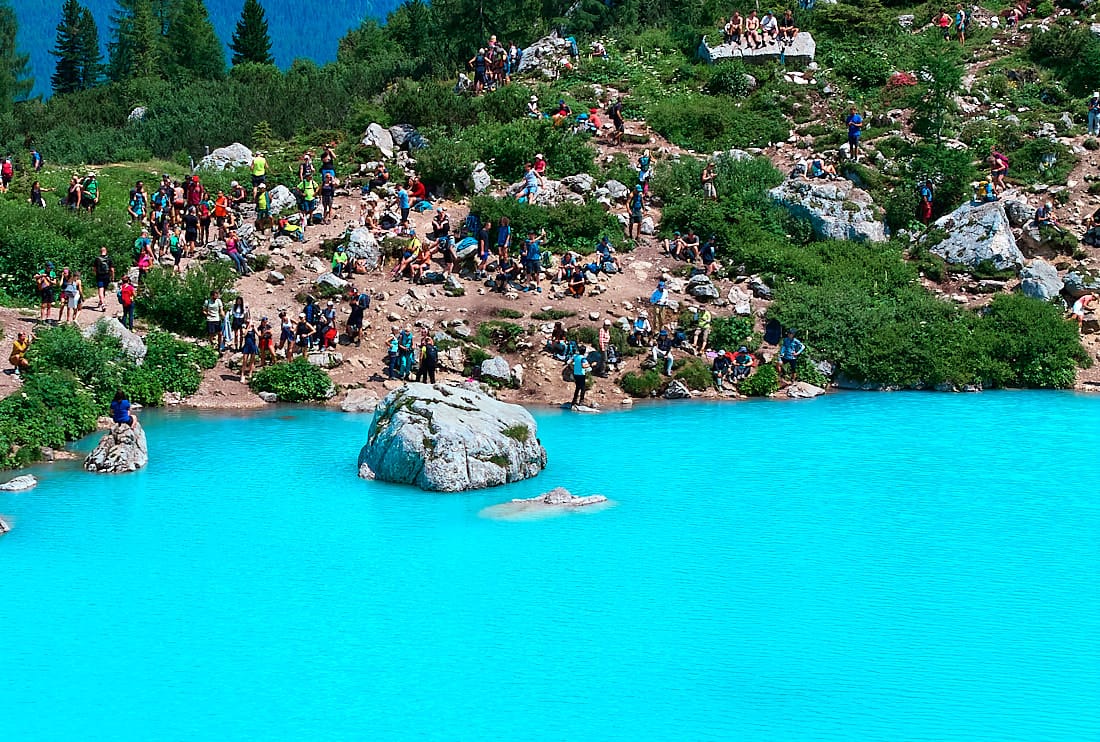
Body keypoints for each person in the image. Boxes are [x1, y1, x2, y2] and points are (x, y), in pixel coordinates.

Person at [522, 228, 545, 293]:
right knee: (528, 273)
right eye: (530, 234)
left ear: (534, 235)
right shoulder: (527, 241)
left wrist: (544, 236)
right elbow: (532, 242)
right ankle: (527, 285)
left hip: (536, 259)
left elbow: (544, 242)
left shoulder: (537, 242)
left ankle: (538, 286)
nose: (531, 236)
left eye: (532, 234)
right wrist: (541, 235)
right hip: (529, 259)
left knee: (537, 273)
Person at [93, 246, 114, 311]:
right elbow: (112, 270)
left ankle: (102, 303)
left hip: (99, 276)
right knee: (103, 289)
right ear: (106, 251)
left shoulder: (97, 259)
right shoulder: (109, 259)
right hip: (107, 276)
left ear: (100, 251)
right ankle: (102, 302)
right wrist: (112, 277)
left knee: (100, 289)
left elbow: (94, 269)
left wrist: (95, 274)